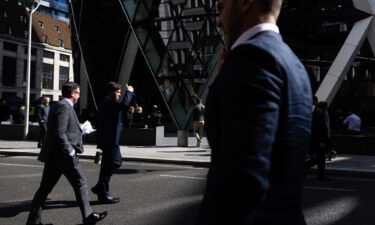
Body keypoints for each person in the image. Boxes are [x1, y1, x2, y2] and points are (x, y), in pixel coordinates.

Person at [195, 0, 312, 224]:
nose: (218, 21)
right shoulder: (292, 63)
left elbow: (240, 185)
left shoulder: (252, 60)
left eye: (221, 7)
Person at [26, 82, 107, 225]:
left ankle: (33, 221)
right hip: (63, 155)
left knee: (44, 188)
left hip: (54, 155)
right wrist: (70, 151)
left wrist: (80, 129)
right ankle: (88, 217)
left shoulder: (60, 105)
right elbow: (59, 132)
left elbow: (62, 129)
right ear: (73, 93)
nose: (79, 96)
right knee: (80, 182)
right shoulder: (64, 106)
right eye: (78, 93)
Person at [92, 82, 135, 204]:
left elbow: (122, 111)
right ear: (110, 92)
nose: (119, 94)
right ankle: (101, 188)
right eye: (118, 92)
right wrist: (130, 91)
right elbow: (124, 104)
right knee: (116, 162)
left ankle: (102, 192)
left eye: (120, 92)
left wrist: (130, 111)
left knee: (107, 166)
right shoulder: (108, 102)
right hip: (109, 140)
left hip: (109, 140)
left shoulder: (109, 103)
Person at [305, 101, 330, 179]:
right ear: (323, 107)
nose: (326, 109)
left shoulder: (317, 113)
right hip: (319, 141)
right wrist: (321, 141)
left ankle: (320, 174)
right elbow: (317, 129)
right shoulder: (317, 114)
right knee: (320, 158)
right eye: (326, 108)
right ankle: (304, 168)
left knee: (320, 158)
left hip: (318, 140)